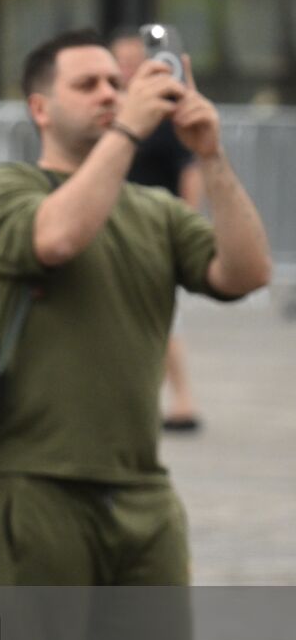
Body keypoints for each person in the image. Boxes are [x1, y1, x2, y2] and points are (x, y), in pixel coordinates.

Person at [0, 28, 271, 640]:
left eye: (118, 81)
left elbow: (245, 271)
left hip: (143, 498)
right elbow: (57, 238)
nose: (112, 92)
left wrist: (211, 152)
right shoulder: (10, 189)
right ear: (40, 106)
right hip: (34, 491)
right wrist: (135, 127)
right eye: (90, 84)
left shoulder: (152, 211)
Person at [110, 28, 205, 432]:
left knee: (163, 318)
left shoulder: (167, 114)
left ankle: (181, 399)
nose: (129, 70)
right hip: (112, 227)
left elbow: (190, 169)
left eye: (137, 61)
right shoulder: (108, 112)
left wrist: (186, 222)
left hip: (156, 229)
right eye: (123, 62)